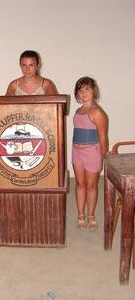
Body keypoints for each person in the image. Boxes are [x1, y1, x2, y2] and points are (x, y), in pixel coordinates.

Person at [72, 76, 108, 230]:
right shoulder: (78, 110)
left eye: (87, 88)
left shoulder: (97, 112)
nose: (84, 92)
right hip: (76, 152)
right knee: (80, 184)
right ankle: (81, 214)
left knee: (91, 185)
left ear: (94, 91)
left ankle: (91, 214)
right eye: (80, 89)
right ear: (77, 93)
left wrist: (104, 155)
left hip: (91, 152)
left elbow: (102, 136)